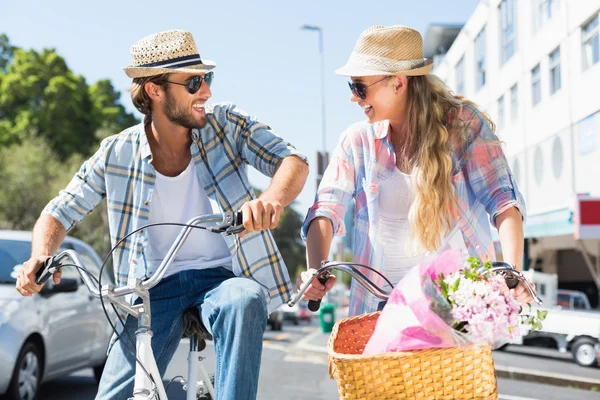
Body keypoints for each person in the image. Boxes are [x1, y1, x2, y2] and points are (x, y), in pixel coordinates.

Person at [15, 29, 308, 400]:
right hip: (150, 291)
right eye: (195, 82)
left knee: (245, 299)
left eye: (207, 79)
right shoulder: (116, 152)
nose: (207, 92)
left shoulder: (226, 125)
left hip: (222, 278)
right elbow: (58, 211)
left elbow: (292, 160)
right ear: (155, 90)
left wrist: (271, 200)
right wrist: (41, 254)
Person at [297, 25, 535, 316]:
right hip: (378, 308)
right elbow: (327, 206)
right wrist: (315, 269)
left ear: (398, 83)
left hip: (455, 306)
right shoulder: (356, 141)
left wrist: (512, 273)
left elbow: (503, 200)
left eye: (359, 87)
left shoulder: (463, 126)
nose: (353, 97)